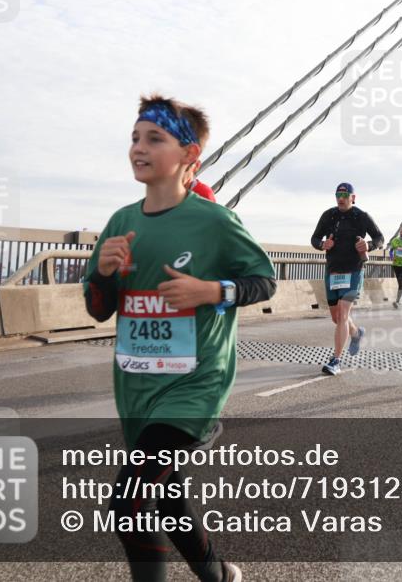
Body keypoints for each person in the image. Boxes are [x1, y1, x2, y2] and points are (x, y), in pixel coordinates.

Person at [83, 94, 276, 582]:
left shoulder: (215, 221)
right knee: (166, 500)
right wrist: (105, 275)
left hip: (195, 386)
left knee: (129, 505)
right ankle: (219, 575)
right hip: (138, 387)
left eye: (154, 138)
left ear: (190, 155)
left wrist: (211, 290)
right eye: (134, 138)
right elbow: (99, 309)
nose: (138, 148)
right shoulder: (121, 223)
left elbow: (264, 281)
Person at [311, 183, 384, 375]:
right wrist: (322, 244)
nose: (341, 198)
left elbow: (380, 238)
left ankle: (336, 360)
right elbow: (315, 238)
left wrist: (368, 245)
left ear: (353, 197)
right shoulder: (329, 215)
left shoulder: (361, 216)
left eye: (345, 194)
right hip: (333, 271)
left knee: (343, 314)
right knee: (337, 318)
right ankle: (356, 333)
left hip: (353, 270)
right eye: (338, 194)